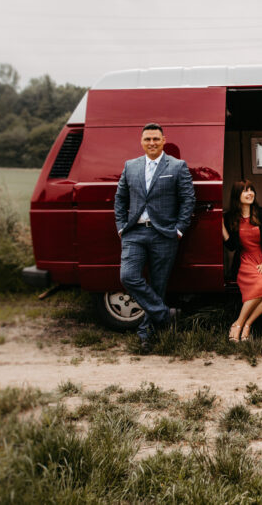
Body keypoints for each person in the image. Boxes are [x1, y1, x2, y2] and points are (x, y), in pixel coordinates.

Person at [114, 123, 196, 353]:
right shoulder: (130, 166)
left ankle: (145, 336)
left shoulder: (177, 166)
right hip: (134, 232)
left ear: (163, 140)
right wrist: (121, 227)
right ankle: (164, 314)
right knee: (128, 276)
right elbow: (120, 199)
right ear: (141, 141)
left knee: (159, 286)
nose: (152, 143)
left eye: (156, 139)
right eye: (148, 139)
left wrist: (179, 229)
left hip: (164, 233)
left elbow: (188, 199)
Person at [222, 179, 262, 341]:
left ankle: (245, 323)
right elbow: (231, 246)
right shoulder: (231, 217)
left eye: (251, 190)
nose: (250, 193)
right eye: (245, 191)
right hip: (245, 259)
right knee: (261, 284)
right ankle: (238, 325)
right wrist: (221, 226)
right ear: (237, 195)